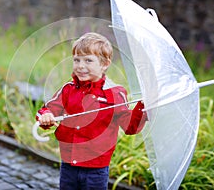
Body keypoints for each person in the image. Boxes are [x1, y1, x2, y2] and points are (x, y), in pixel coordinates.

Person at [36, 32, 147, 190]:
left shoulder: (114, 93)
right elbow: (49, 109)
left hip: (96, 170)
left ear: (105, 64)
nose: (80, 66)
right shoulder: (68, 89)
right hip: (68, 165)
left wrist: (143, 107)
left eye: (88, 60)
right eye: (77, 60)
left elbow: (130, 127)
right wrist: (45, 116)